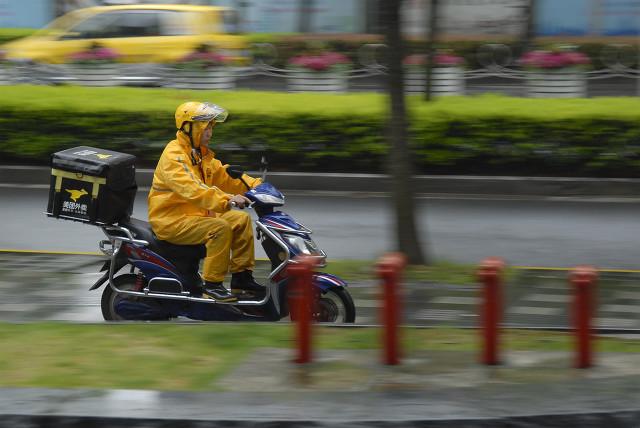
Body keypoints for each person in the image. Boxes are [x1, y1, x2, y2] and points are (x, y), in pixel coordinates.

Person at [148, 101, 264, 302]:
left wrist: (257, 186)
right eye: (205, 126)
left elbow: (223, 175)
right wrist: (228, 199)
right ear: (188, 127)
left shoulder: (199, 153)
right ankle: (212, 285)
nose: (210, 131)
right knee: (220, 227)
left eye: (211, 126)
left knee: (240, 221)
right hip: (171, 220)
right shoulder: (174, 156)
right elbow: (193, 189)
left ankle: (241, 279)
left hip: (195, 215)